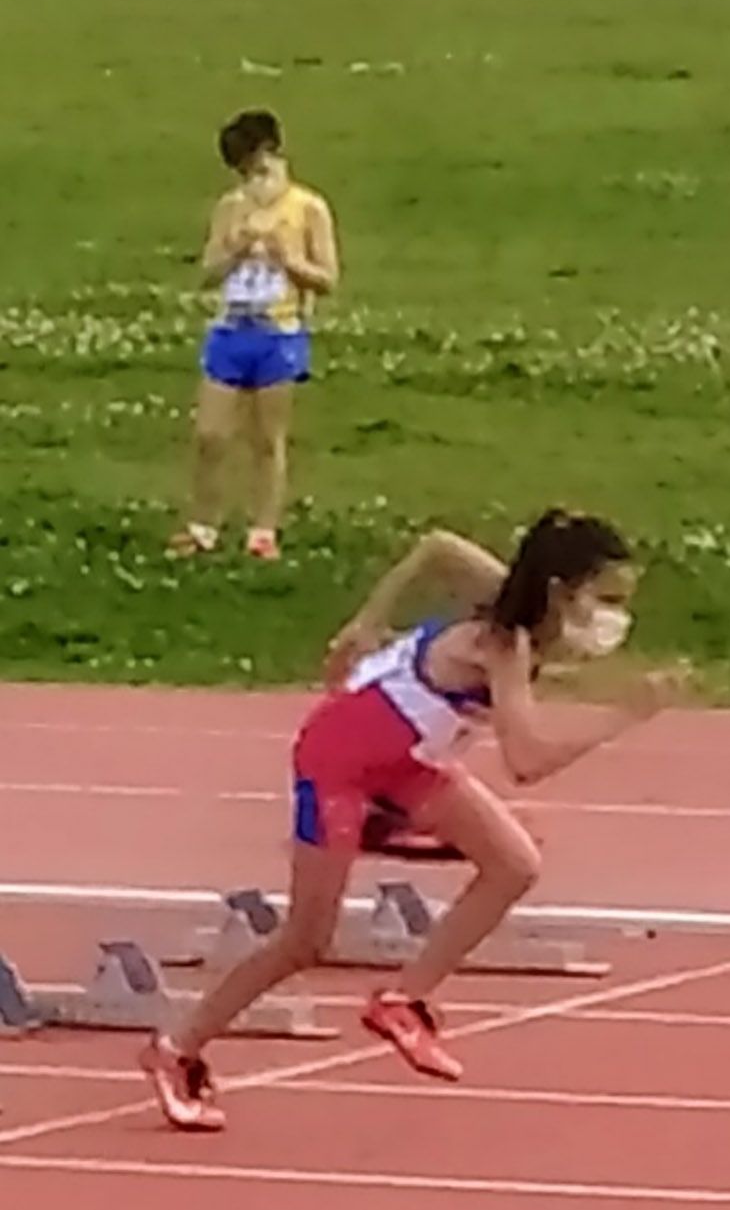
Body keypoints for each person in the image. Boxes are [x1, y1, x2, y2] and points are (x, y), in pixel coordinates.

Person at [140, 509, 690, 1131]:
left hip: (411, 763)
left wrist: (368, 621)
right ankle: (176, 1048)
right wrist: (626, 715)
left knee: (514, 864)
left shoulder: (518, 609)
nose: (614, 615)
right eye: (606, 598)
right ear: (562, 589)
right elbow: (527, 760)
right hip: (339, 763)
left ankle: (403, 999)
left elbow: (434, 547)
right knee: (306, 941)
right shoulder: (502, 643)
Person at [171, 109, 340, 562]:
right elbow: (207, 273)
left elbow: (327, 278)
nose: (253, 179)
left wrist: (290, 260)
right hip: (230, 329)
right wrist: (235, 250)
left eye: (257, 167)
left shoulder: (308, 208)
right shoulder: (230, 208)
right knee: (209, 434)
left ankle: (263, 531)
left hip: (279, 333)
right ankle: (202, 524)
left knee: (267, 439)